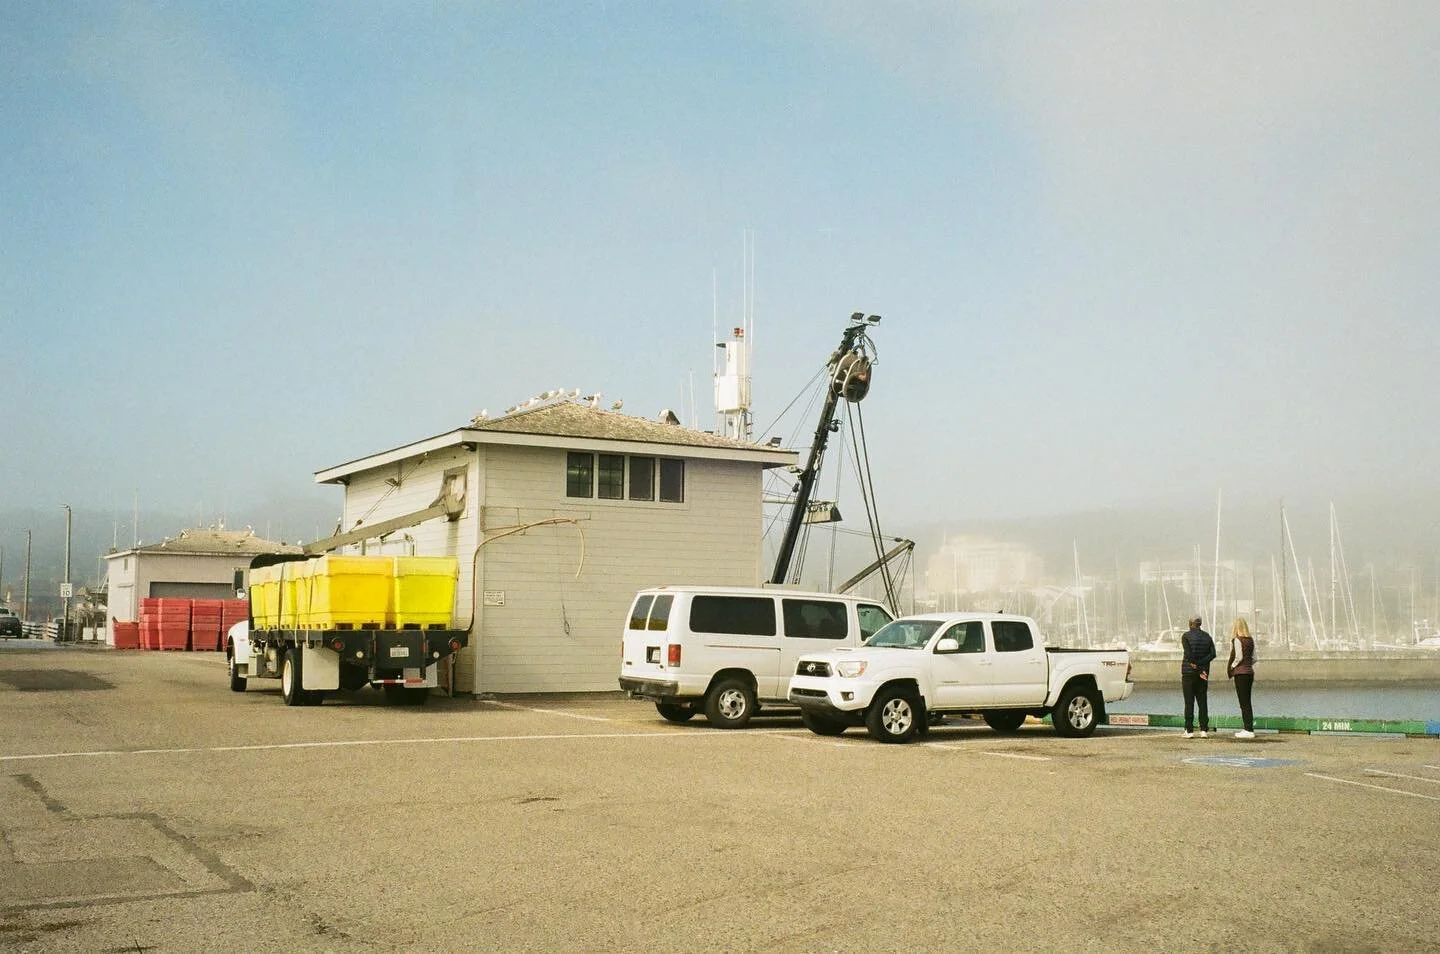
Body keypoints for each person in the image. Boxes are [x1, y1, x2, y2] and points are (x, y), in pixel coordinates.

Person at [1180, 616, 1216, 738]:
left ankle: (1189, 730)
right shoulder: (1207, 637)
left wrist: (1194, 663)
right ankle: (1204, 730)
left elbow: (1188, 653)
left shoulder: (1185, 636)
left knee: (1189, 702)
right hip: (1203, 672)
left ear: (1190, 624)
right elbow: (1213, 654)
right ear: (1200, 624)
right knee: (1202, 700)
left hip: (1188, 672)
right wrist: (1201, 664)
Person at [1226, 617, 1257, 739]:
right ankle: (1249, 727)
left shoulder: (1237, 640)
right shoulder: (1251, 640)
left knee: (1243, 702)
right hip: (1249, 672)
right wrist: (1248, 665)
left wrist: (1233, 667)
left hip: (1240, 674)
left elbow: (1238, 657)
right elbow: (1255, 658)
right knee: (1247, 701)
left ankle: (1248, 729)